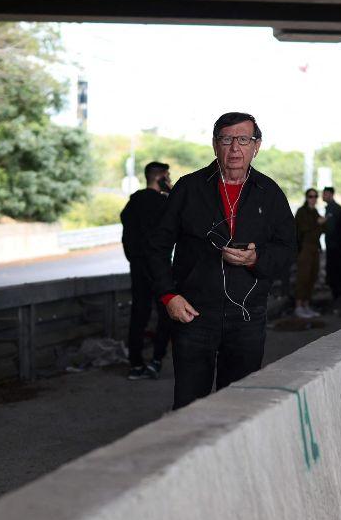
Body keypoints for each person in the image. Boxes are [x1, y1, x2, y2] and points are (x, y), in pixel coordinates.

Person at [146, 112, 296, 410]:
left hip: (247, 317)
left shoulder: (269, 193)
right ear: (215, 145)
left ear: (257, 146)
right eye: (227, 140)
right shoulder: (189, 188)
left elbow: (288, 249)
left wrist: (255, 259)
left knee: (240, 407)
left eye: (243, 139)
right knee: (190, 407)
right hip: (193, 314)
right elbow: (156, 247)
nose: (235, 148)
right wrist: (168, 296)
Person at [120, 161, 174, 379]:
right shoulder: (165, 203)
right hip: (160, 267)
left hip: (138, 266)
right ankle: (156, 360)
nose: (169, 180)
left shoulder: (133, 203)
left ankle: (135, 364)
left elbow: (127, 233)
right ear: (161, 178)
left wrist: (134, 257)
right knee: (166, 312)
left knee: (139, 314)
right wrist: (171, 192)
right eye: (167, 176)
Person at [293, 188, 323, 318]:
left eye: (315, 196)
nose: (313, 199)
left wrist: (320, 223)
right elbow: (302, 228)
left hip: (315, 247)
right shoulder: (302, 211)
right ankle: (299, 306)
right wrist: (317, 223)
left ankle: (306, 304)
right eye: (311, 196)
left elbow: (321, 230)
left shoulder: (315, 211)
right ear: (306, 198)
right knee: (303, 277)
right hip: (305, 247)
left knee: (312, 276)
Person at [321, 186, 340, 292]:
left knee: (333, 263)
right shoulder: (330, 208)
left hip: (334, 242)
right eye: (323, 194)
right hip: (331, 241)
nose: (323, 196)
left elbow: (332, 227)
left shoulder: (335, 208)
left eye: (325, 194)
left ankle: (332, 285)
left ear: (331, 195)